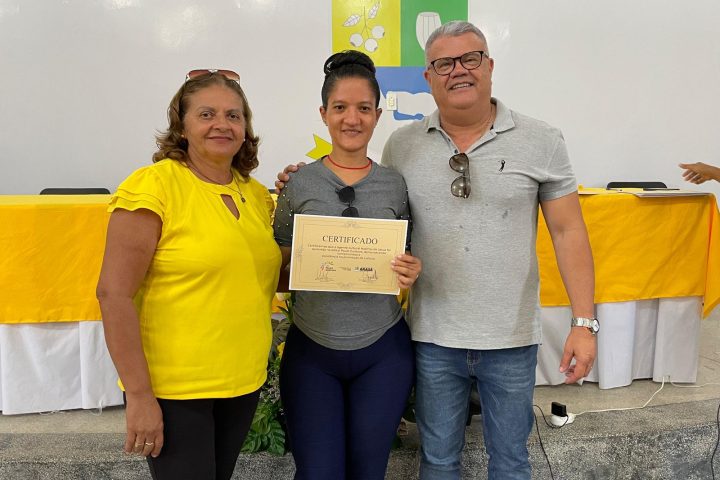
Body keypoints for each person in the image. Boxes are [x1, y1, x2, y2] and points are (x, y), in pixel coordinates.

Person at [277, 21, 596, 480]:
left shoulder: (541, 139)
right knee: (438, 463)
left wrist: (584, 324)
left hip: (509, 338)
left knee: (511, 464)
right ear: (428, 77)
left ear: (489, 65)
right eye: (444, 63)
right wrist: (302, 183)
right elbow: (377, 216)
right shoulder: (402, 146)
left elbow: (568, 232)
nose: (458, 70)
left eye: (470, 58)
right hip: (431, 337)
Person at [96, 69, 281, 480]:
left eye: (233, 115)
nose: (222, 124)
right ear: (182, 126)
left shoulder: (254, 193)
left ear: (245, 128)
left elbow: (260, 275)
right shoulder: (153, 187)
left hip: (241, 383)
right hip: (176, 390)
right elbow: (113, 294)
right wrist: (139, 396)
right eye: (206, 114)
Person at [273, 50, 422, 480]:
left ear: (377, 115)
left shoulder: (395, 184)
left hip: (383, 351)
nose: (351, 119)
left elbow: (408, 253)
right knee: (318, 473)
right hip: (312, 350)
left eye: (363, 108)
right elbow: (278, 264)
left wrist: (412, 269)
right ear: (323, 114)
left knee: (368, 471)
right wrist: (301, 263)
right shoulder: (298, 183)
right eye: (339, 107)